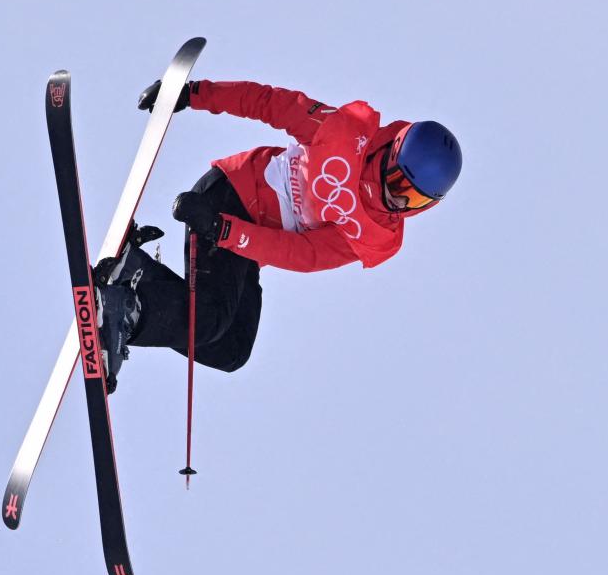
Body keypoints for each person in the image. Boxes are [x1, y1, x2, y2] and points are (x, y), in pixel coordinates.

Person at [94, 79, 463, 392]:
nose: (396, 198)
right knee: (207, 320)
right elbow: (269, 104)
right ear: (391, 152)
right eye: (398, 180)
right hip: (231, 195)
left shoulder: (376, 236)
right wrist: (194, 93)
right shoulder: (346, 131)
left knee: (233, 350)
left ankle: (134, 271)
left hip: (241, 236)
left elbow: (302, 253)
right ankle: (122, 310)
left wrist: (227, 233)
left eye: (412, 200)